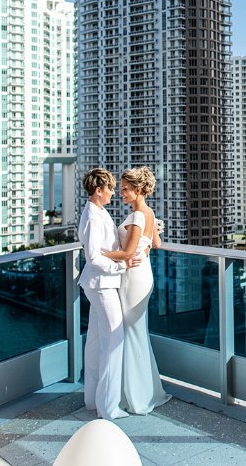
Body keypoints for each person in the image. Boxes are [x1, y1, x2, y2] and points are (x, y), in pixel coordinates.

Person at [101, 166, 172, 414]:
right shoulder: (148, 213)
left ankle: (136, 396)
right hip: (142, 275)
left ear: (138, 189)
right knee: (136, 333)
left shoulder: (137, 216)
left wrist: (99, 254)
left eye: (125, 189)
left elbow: (128, 253)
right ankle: (143, 391)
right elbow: (156, 243)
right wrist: (141, 250)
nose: (121, 193)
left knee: (131, 333)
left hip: (133, 278)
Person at [78, 168, 138, 420]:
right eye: (111, 188)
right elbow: (92, 256)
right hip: (102, 284)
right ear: (99, 189)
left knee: (95, 342)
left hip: (99, 283)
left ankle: (93, 399)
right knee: (114, 341)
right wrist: (121, 264)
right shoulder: (93, 215)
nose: (114, 193)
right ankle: (108, 407)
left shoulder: (98, 212)